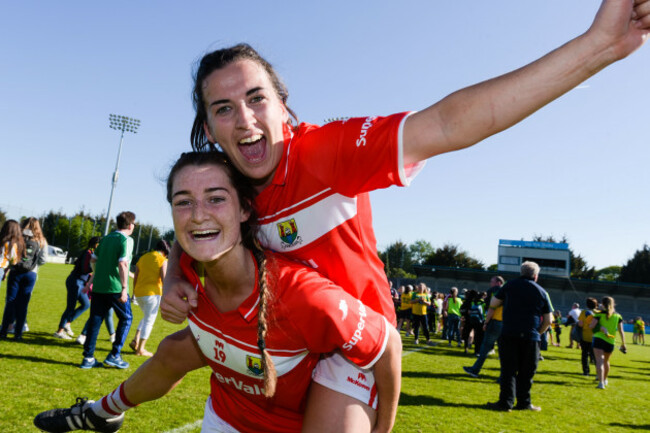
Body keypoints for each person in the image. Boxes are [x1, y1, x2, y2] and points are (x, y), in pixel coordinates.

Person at [167, 4, 650, 426]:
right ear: (208, 128)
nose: (246, 120)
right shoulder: (219, 186)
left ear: (284, 106)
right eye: (224, 109)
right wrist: (173, 274)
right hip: (285, 343)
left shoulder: (325, 153)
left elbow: (445, 122)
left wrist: (599, 46)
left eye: (257, 99)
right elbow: (190, 229)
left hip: (354, 344)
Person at [33, 151, 401, 433]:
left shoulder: (301, 295)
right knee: (172, 351)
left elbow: (388, 347)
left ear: (244, 209)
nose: (197, 214)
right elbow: (168, 363)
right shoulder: (188, 277)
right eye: (183, 202)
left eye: (215, 198)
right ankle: (99, 414)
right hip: (224, 420)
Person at [486, 261, 552, 412]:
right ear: (536, 276)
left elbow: (494, 302)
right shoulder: (542, 292)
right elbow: (548, 320)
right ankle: (524, 403)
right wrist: (538, 332)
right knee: (527, 372)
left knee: (508, 370)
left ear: (521, 272)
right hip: (531, 335)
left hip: (509, 332)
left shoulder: (509, 285)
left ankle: (505, 403)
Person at [79, 211, 135, 369]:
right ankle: (115, 355)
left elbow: (93, 259)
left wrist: (95, 276)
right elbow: (123, 264)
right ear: (131, 225)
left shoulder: (105, 239)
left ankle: (88, 358)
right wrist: (124, 289)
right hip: (115, 287)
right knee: (126, 318)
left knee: (95, 321)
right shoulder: (126, 240)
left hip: (99, 287)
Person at [0, 217, 48, 341]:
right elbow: (43, 260)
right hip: (31, 273)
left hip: (16, 271)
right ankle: (18, 334)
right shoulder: (41, 240)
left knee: (10, 301)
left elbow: (12, 255)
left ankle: (4, 331)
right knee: (23, 304)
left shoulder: (18, 237)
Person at [129, 239, 170, 356]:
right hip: (153, 293)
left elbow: (136, 276)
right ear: (165, 251)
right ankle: (140, 349)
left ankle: (135, 340)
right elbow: (164, 279)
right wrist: (167, 295)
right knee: (149, 320)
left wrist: (134, 293)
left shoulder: (144, 257)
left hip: (139, 293)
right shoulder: (162, 260)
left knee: (146, 317)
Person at [53, 237, 100, 340]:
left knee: (86, 304)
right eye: (99, 244)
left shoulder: (91, 253)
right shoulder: (88, 253)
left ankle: (67, 323)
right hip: (75, 281)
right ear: (95, 244)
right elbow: (84, 269)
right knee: (70, 307)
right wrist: (95, 266)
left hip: (80, 283)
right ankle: (59, 331)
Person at [464, 276, 504, 378]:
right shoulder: (509, 291)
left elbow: (492, 307)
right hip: (505, 323)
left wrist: (486, 322)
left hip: (495, 321)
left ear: (499, 282)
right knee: (503, 350)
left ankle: (475, 369)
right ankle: (504, 375)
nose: (490, 283)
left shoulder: (494, 291)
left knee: (485, 347)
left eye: (492, 281)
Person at [589, 296, 626, 389]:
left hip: (599, 339)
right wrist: (623, 343)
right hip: (611, 341)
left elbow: (591, 326)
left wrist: (600, 327)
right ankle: (605, 380)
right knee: (606, 361)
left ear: (602, 304)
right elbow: (621, 331)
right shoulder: (618, 316)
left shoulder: (599, 314)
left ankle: (601, 383)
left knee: (599, 361)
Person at [577, 297, 598, 376]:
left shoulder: (584, 312)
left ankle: (586, 372)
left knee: (584, 355)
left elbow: (580, 324)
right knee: (596, 356)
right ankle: (598, 372)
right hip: (596, 337)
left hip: (585, 337)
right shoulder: (598, 312)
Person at [460, 289, 484, 355]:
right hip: (478, 321)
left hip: (468, 320)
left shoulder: (467, 301)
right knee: (478, 336)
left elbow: (461, 310)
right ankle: (477, 351)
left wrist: (465, 313)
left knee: (466, 334)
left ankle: (466, 348)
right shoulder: (479, 301)